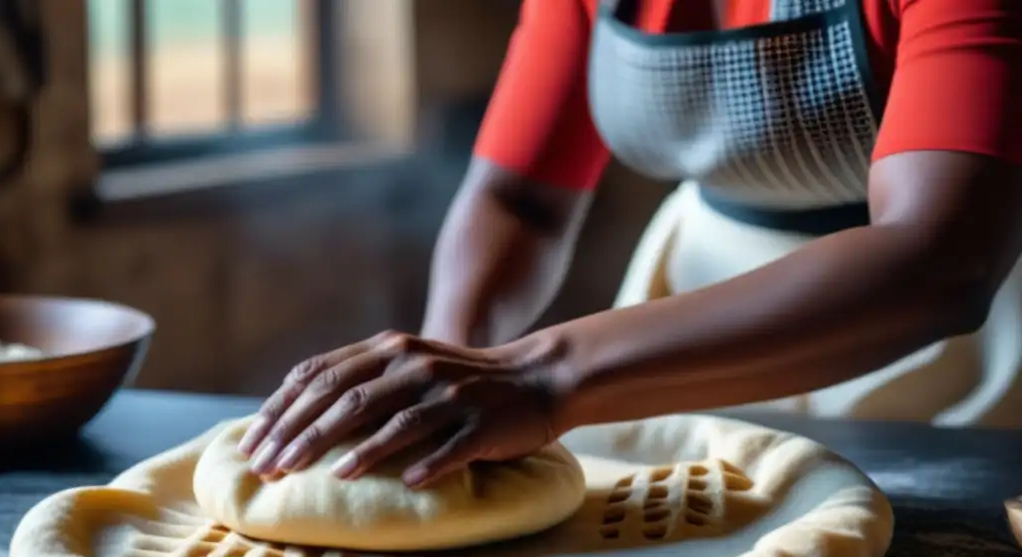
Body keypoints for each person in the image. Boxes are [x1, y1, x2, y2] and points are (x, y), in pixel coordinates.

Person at [240, 0, 1022, 488]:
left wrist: (541, 377)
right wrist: (443, 387)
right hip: (690, 311)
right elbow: (520, 199)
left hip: (943, 340)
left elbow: (941, 254)